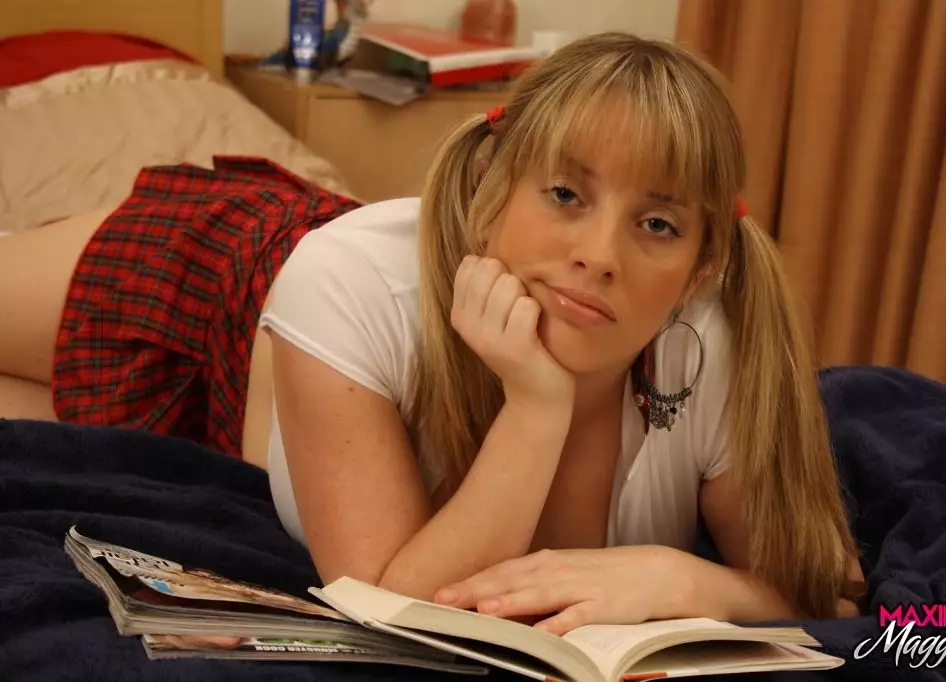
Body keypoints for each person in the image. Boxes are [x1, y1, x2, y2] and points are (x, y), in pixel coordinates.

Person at [0, 33, 866, 634]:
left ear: (703, 267)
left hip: (259, 414)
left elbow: (825, 597)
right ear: (494, 187)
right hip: (213, 278)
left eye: (658, 225)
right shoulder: (344, 282)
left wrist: (681, 577)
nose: (599, 257)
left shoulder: (710, 348)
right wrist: (538, 405)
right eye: (565, 194)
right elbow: (390, 605)